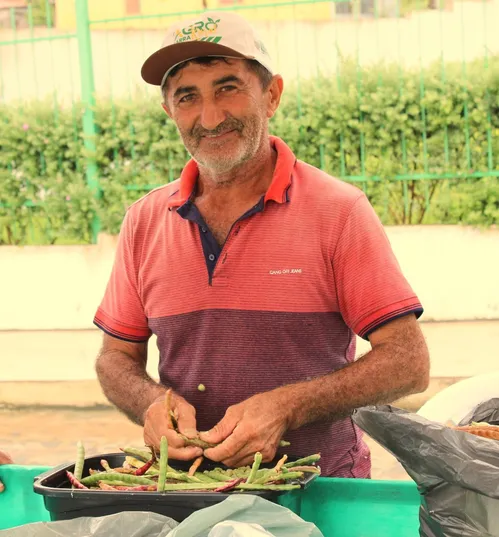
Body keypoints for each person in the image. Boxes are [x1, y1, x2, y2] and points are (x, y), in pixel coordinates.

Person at [93, 11, 430, 477]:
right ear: (169, 110)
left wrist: (288, 406)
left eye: (228, 88)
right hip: (187, 492)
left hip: (318, 493)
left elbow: (408, 361)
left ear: (271, 96)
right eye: (187, 96)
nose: (209, 117)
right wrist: (150, 401)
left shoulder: (338, 211)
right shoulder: (145, 220)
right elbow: (115, 358)